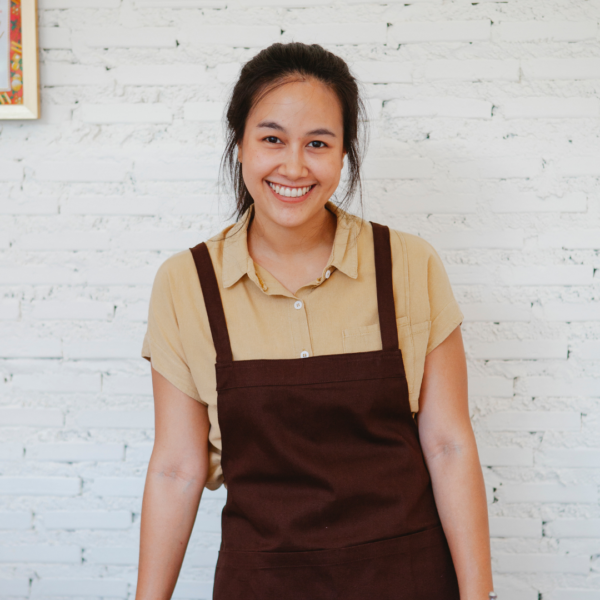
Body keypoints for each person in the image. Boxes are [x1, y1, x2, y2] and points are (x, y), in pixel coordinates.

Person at [137, 42, 494, 599]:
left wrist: (480, 596)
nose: (294, 166)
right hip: (261, 584)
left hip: (405, 578)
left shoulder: (408, 263)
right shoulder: (186, 284)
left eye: (318, 143)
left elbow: (448, 445)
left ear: (344, 153)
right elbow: (177, 469)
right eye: (272, 139)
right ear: (240, 145)